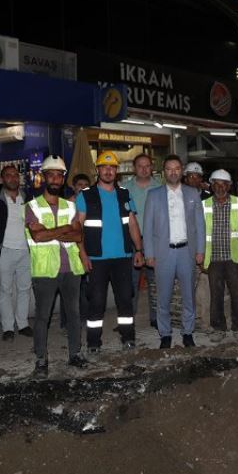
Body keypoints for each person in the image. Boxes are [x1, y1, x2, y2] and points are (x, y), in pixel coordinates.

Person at [25, 155, 88, 376]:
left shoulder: (71, 206)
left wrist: (52, 231)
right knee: (43, 317)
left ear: (63, 179)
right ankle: (41, 360)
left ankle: (75, 355)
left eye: (59, 175)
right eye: (50, 174)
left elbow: (78, 234)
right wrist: (65, 230)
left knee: (74, 313)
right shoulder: (32, 206)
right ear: (44, 177)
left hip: (71, 268)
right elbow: (38, 237)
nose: (55, 179)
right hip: (45, 271)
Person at [77, 151, 144, 353]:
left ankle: (128, 339)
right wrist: (83, 254)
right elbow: (77, 227)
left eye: (112, 167)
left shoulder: (124, 194)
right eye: (104, 167)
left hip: (123, 258)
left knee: (125, 300)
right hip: (96, 259)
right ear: (97, 170)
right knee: (96, 303)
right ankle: (94, 344)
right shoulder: (85, 195)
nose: (108, 171)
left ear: (116, 171)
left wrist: (139, 250)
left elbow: (132, 223)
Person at [143, 154, 206, 348]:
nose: (173, 172)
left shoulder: (192, 194)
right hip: (164, 254)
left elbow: (200, 224)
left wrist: (201, 250)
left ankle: (188, 332)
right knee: (163, 297)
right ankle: (165, 334)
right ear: (164, 173)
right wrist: (149, 254)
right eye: (169, 169)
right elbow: (147, 227)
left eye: (177, 168)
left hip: (186, 251)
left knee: (188, 296)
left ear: (182, 171)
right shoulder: (154, 195)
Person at [0, 165, 33, 341]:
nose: (12, 178)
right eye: (8, 176)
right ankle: (8, 327)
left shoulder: (26, 197)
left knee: (25, 288)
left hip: (25, 250)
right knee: (5, 290)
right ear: (2, 179)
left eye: (15, 175)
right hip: (4, 251)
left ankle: (23, 324)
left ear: (19, 178)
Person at [202, 169, 238, 343]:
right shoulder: (204, 205)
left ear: (229, 186)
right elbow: (200, 232)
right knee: (216, 295)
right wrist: (200, 256)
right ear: (211, 185)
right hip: (214, 257)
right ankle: (218, 328)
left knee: (237, 294)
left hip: (234, 257)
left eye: (223, 184)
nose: (220, 187)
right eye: (216, 183)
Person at [121, 154, 161, 328]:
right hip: (130, 242)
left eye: (147, 166)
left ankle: (156, 318)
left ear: (151, 167)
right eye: (140, 166)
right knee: (130, 283)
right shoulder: (124, 188)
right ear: (134, 167)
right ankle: (129, 318)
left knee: (156, 282)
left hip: (155, 241)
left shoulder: (160, 188)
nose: (144, 169)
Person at [59, 173, 91, 329]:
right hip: (71, 250)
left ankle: (82, 319)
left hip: (87, 249)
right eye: (80, 184)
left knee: (84, 287)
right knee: (69, 287)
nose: (83, 187)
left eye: (86, 184)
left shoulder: (91, 203)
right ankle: (66, 322)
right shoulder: (66, 205)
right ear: (73, 186)